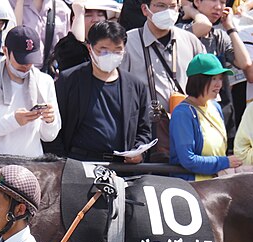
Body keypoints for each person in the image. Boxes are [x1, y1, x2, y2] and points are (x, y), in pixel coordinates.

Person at [48, 20, 152, 162]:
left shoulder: (135, 86)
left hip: (121, 166)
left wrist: (138, 152)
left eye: (117, 51)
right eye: (103, 50)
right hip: (78, 164)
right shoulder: (69, 80)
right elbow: (55, 126)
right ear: (90, 48)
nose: (110, 55)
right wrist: (60, 162)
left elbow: (144, 129)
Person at [121, 0, 206, 161]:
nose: (167, 11)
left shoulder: (191, 41)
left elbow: (208, 90)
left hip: (188, 130)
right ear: (145, 9)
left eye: (172, 6)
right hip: (145, 135)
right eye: (160, 5)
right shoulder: (128, 43)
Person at [0, 26, 61, 156]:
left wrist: (50, 121)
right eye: (21, 60)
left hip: (32, 164)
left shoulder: (45, 81)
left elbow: (49, 136)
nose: (26, 65)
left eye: (31, 60)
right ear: (5, 51)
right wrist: (14, 121)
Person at [182, 0, 252, 142]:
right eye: (213, 0)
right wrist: (193, 12)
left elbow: (244, 62)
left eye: (222, 2)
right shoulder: (181, 30)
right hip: (191, 108)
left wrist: (230, 27)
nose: (219, 7)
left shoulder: (220, 36)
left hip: (220, 109)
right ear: (197, 1)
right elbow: (204, 26)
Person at [170, 53, 242, 179]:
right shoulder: (182, 113)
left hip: (218, 184)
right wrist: (225, 162)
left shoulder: (216, 107)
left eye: (220, 78)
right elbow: (188, 159)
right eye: (213, 78)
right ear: (198, 80)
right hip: (194, 189)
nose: (219, 84)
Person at [51, 0, 121, 73]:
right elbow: (74, 51)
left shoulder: (113, 44)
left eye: (100, 15)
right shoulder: (64, 46)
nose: (95, 20)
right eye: (88, 15)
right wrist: (79, 14)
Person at [11, 0, 72, 71]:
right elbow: (12, 39)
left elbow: (67, 49)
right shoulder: (10, 5)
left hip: (52, 74)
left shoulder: (62, 9)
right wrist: (19, 4)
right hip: (20, 72)